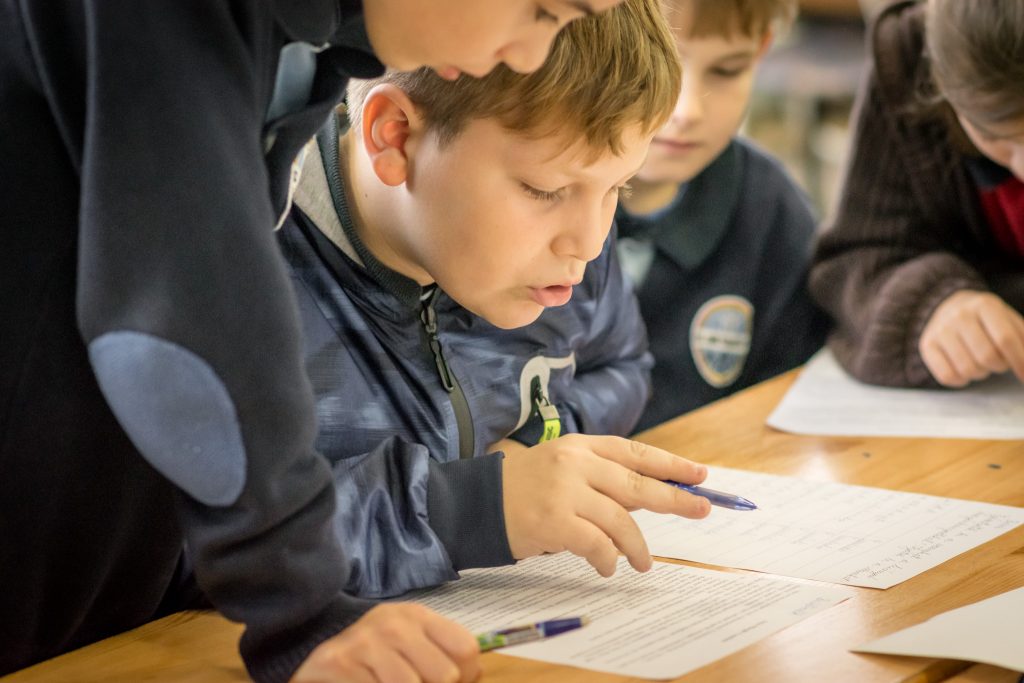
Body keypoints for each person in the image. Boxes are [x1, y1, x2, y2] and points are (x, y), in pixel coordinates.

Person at [0, 1, 625, 681]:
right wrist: (301, 608)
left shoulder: (306, 44)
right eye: (540, 11)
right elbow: (185, 314)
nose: (531, 55)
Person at [280, 0, 712, 601]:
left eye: (619, 185)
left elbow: (621, 365)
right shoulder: (257, 270)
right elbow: (201, 546)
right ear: (396, 137)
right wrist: (473, 507)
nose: (588, 242)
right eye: (545, 189)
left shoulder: (561, 248)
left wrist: (535, 450)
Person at [614, 0, 829, 430]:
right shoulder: (516, 195)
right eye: (657, 65)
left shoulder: (774, 216)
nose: (687, 110)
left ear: (762, 52)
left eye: (727, 71)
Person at [809, 0, 1024, 389]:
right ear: (941, 87)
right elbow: (854, 260)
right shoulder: (909, 59)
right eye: (997, 136)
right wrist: (931, 304)